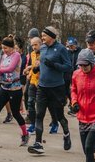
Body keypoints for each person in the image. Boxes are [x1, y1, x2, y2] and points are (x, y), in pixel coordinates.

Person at [27, 26, 73, 154]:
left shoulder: (61, 49)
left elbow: (68, 67)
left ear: (52, 36)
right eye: (42, 36)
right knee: (39, 114)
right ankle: (38, 143)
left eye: (44, 36)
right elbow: (42, 64)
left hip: (57, 88)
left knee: (59, 116)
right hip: (42, 87)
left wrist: (54, 65)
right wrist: (36, 69)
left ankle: (66, 133)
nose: (42, 38)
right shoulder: (42, 48)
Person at [0, 37, 29, 146]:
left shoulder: (16, 56)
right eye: (3, 48)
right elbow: (1, 69)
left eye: (5, 48)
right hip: (4, 87)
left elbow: (10, 68)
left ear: (11, 47)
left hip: (15, 89)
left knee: (16, 113)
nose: (4, 50)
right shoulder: (5, 56)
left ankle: (25, 133)